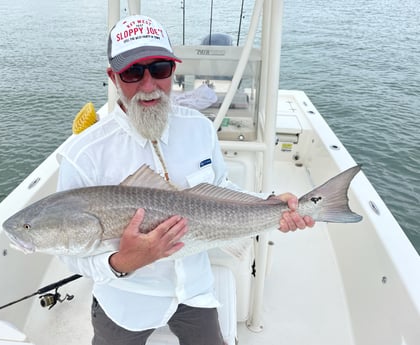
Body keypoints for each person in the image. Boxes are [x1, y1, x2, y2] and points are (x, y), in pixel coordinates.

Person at [57, 14, 315, 345]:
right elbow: (69, 251)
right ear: (113, 76)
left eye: (160, 69)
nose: (148, 85)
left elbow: (221, 189)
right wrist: (122, 263)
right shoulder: (83, 155)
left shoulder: (199, 127)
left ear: (173, 70)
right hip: (126, 299)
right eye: (133, 72)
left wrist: (272, 204)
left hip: (194, 290)